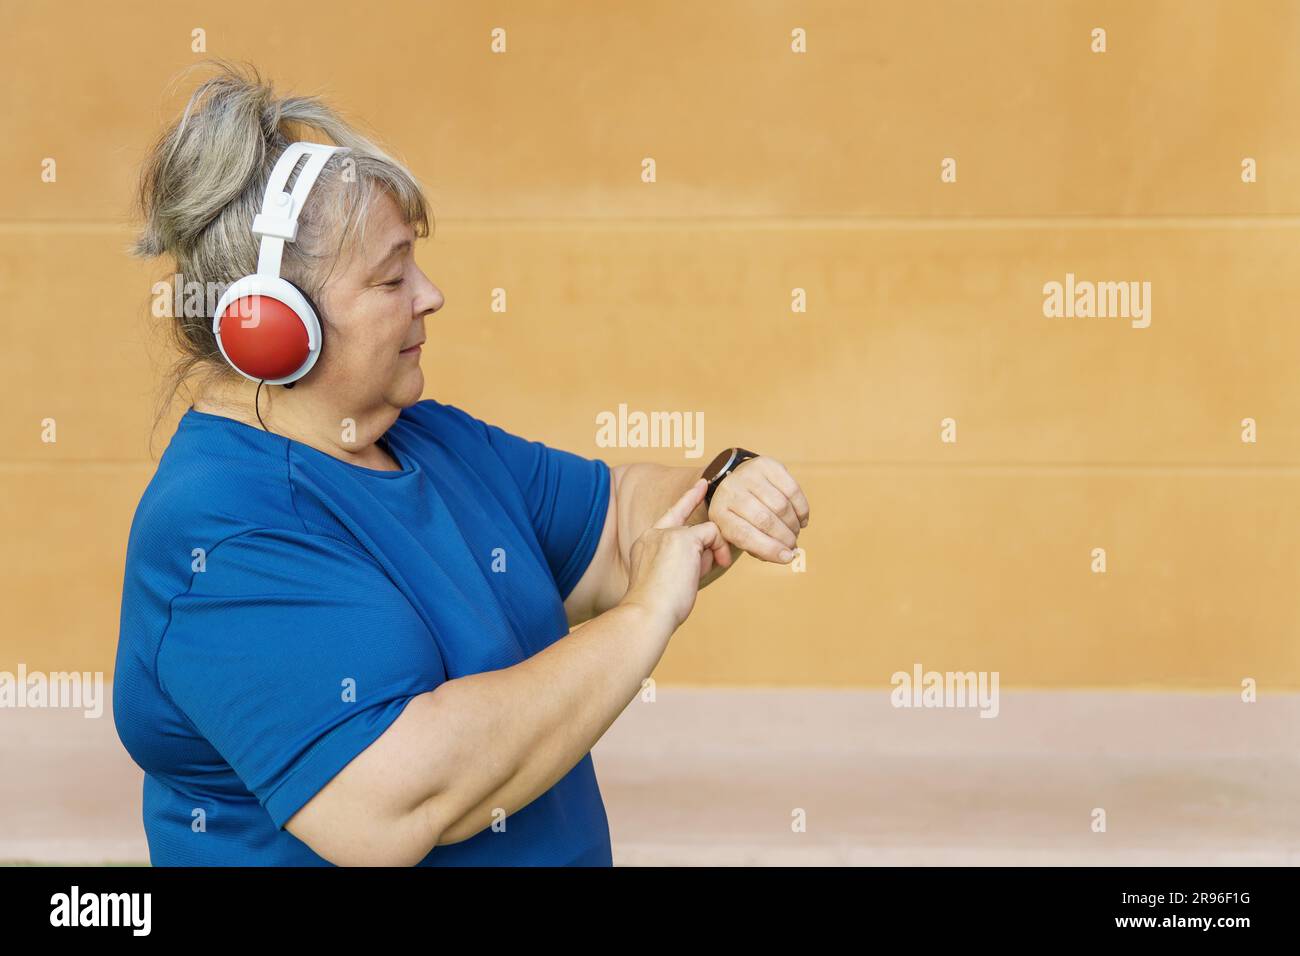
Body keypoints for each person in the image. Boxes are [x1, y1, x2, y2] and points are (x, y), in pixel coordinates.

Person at [113, 60, 810, 866]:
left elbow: (620, 520)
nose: (431, 295)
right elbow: (394, 803)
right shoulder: (223, 530)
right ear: (273, 326)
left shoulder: (428, 440)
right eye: (390, 277)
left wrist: (722, 486)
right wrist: (643, 618)